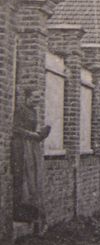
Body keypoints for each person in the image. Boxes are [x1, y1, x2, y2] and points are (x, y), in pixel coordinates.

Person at [11, 90, 51, 234]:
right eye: (34, 97)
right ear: (27, 97)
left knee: (32, 179)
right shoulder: (20, 110)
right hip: (21, 147)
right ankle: (20, 212)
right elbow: (15, 128)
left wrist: (41, 133)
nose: (37, 100)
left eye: (39, 97)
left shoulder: (33, 111)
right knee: (22, 177)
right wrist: (31, 134)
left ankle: (31, 216)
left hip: (31, 147)